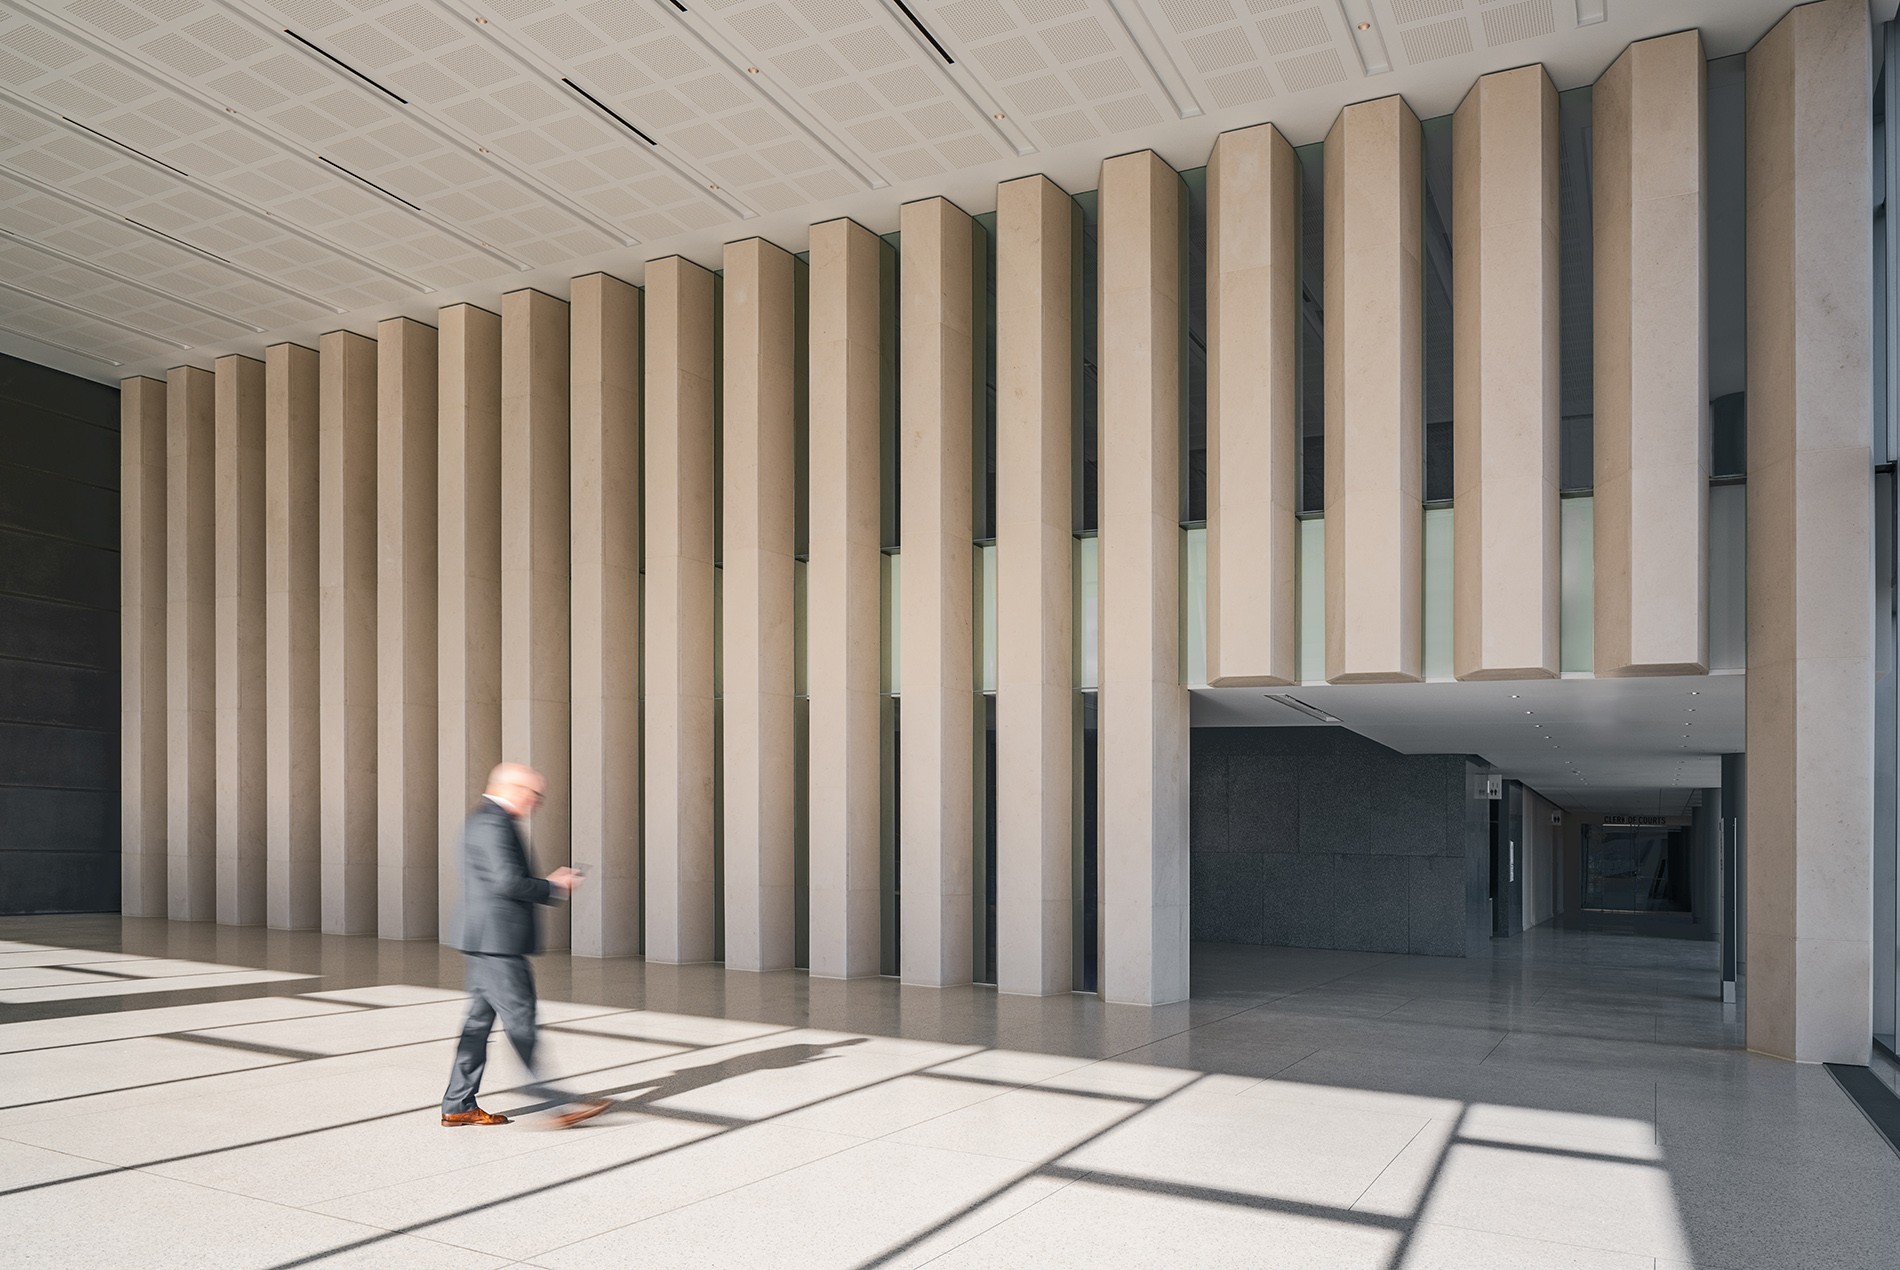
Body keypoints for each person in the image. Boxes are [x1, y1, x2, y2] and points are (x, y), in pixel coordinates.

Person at [440, 761, 609, 1129]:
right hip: (497, 942)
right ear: (514, 789)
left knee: (478, 1025)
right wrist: (552, 886)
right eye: (534, 795)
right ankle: (557, 1106)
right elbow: (506, 881)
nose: (535, 802)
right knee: (522, 1023)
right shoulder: (493, 822)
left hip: (487, 940)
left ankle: (458, 1104)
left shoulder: (485, 819)